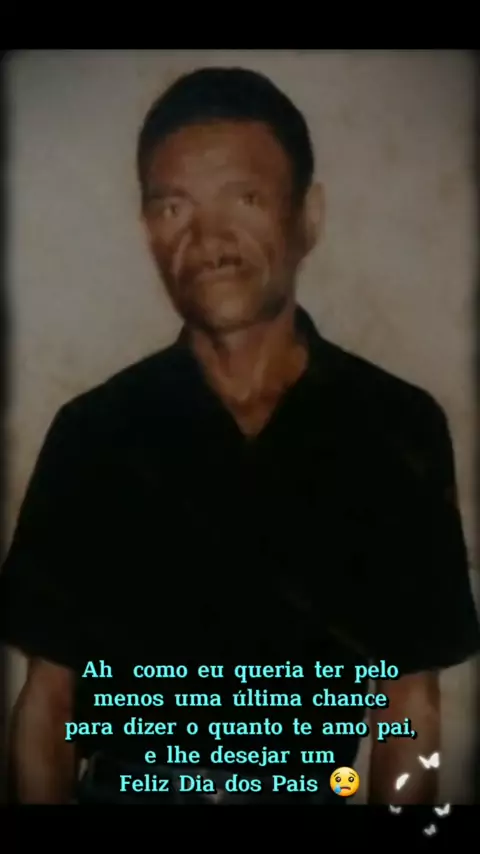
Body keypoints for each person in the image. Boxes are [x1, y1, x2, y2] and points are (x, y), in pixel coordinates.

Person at [1, 66, 479, 806]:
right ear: (147, 230)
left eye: (246, 199)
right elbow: (48, 703)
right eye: (173, 207)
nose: (208, 240)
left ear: (307, 217)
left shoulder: (397, 427)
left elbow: (407, 705)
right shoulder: (93, 433)